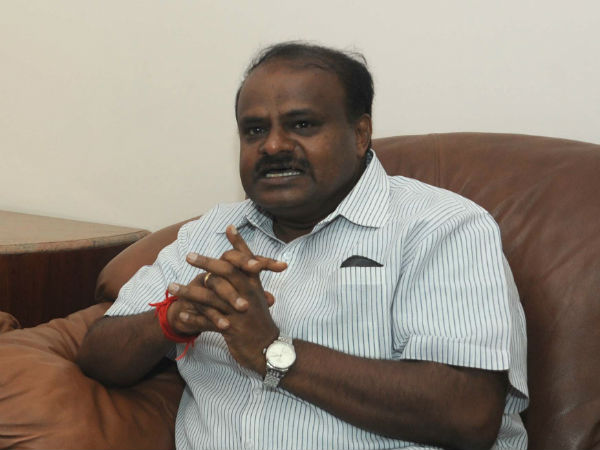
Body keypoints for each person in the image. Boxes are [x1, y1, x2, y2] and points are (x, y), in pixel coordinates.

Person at [77, 42, 529, 450]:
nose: (273, 145)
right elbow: (99, 354)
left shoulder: (441, 227)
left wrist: (271, 350)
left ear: (360, 134)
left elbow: (467, 414)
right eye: (254, 130)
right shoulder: (211, 232)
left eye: (302, 124)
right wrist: (173, 319)